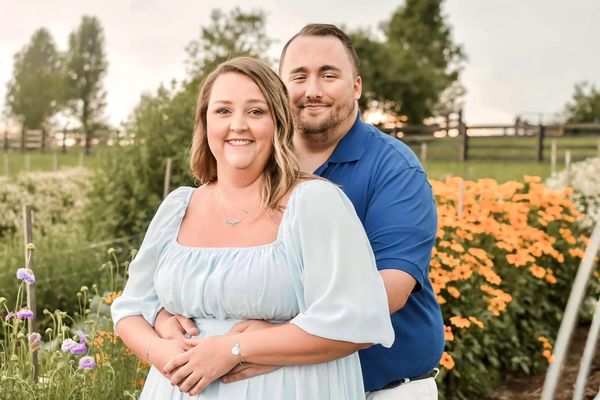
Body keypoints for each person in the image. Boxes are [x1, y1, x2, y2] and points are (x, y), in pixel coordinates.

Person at [155, 24, 445, 400]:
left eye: (328, 75)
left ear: (356, 86)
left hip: (383, 387)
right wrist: (166, 316)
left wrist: (270, 342)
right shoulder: (252, 156)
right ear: (280, 87)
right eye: (299, 76)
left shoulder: (392, 168)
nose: (312, 90)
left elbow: (388, 291)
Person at [111, 56, 394, 399]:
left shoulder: (315, 203)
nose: (238, 125)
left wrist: (237, 347)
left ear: (278, 123)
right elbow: (131, 308)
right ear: (205, 123)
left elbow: (357, 324)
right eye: (223, 111)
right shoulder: (178, 207)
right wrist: (161, 350)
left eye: (256, 111)